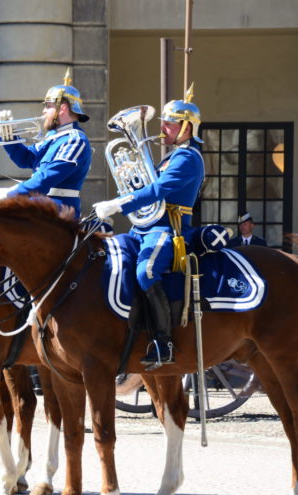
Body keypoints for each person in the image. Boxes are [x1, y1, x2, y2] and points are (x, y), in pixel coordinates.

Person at [92, 85, 205, 370]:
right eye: (163, 122)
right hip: (142, 228)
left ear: (187, 127)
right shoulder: (169, 157)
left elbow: (158, 190)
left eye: (170, 123)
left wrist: (119, 204)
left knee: (147, 271)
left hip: (168, 229)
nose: (163, 128)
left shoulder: (188, 158)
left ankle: (163, 341)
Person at [0, 68, 92, 218]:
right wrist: (9, 136)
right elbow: (25, 159)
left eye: (48, 106)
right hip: (42, 205)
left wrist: (12, 193)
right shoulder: (54, 136)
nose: (44, 112)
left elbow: (46, 178)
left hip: (60, 211)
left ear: (63, 108)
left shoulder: (75, 140)